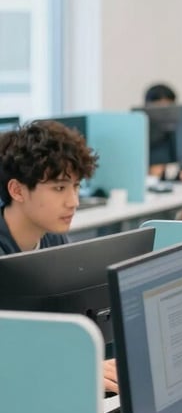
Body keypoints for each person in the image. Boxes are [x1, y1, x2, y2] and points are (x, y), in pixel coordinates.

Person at [0, 121, 118, 393]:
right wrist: (73, 366)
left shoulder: (53, 240)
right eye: (59, 188)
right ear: (17, 190)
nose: (73, 201)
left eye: (76, 186)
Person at [143, 81, 182, 182]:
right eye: (159, 107)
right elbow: (154, 170)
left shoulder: (177, 132)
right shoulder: (144, 134)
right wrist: (180, 175)